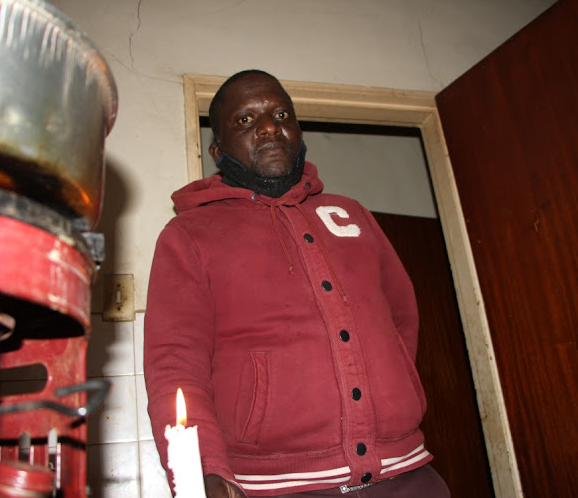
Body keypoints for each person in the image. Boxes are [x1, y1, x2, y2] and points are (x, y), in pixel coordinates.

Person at [144, 69, 450, 497]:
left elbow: (402, 322)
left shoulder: (353, 215)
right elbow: (175, 365)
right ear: (217, 149)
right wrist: (204, 470)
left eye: (281, 113)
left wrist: (396, 393)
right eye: (246, 121)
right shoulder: (189, 236)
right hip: (277, 487)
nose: (269, 127)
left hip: (409, 476)